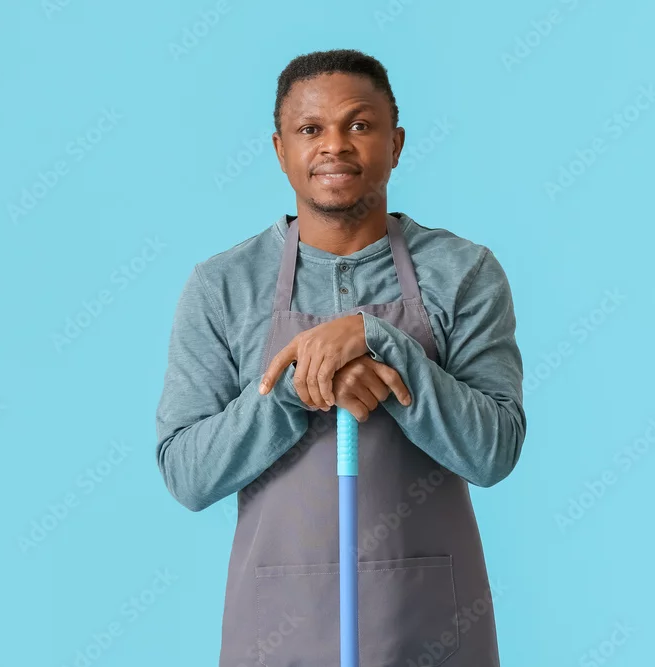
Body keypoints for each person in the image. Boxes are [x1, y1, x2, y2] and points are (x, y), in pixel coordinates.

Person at [155, 49, 526, 667]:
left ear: (396, 143)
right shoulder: (223, 286)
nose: (335, 145)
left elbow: (493, 453)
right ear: (281, 151)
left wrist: (383, 343)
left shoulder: (463, 273)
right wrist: (296, 386)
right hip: (279, 633)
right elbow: (188, 476)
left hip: (429, 626)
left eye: (359, 124)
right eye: (311, 129)